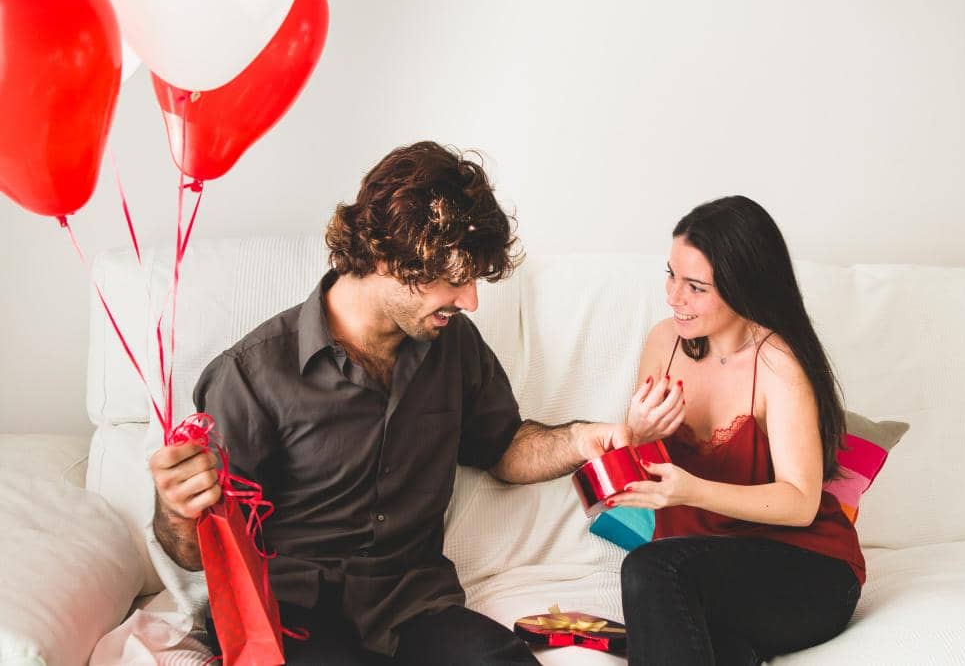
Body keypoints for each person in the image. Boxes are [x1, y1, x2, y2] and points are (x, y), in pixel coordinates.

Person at [148, 141, 630, 665]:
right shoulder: (254, 373)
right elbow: (199, 552)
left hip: (412, 604)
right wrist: (175, 510)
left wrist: (580, 439)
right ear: (385, 256)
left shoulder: (454, 344)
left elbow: (505, 448)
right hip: (291, 613)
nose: (470, 301)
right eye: (454, 279)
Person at [613, 196, 864, 665]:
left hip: (807, 566)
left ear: (742, 286)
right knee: (708, 641)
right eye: (670, 274)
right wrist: (637, 432)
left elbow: (799, 502)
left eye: (695, 287)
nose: (674, 297)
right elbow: (632, 477)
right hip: (700, 567)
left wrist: (691, 491)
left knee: (648, 570)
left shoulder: (777, 363)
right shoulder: (664, 342)